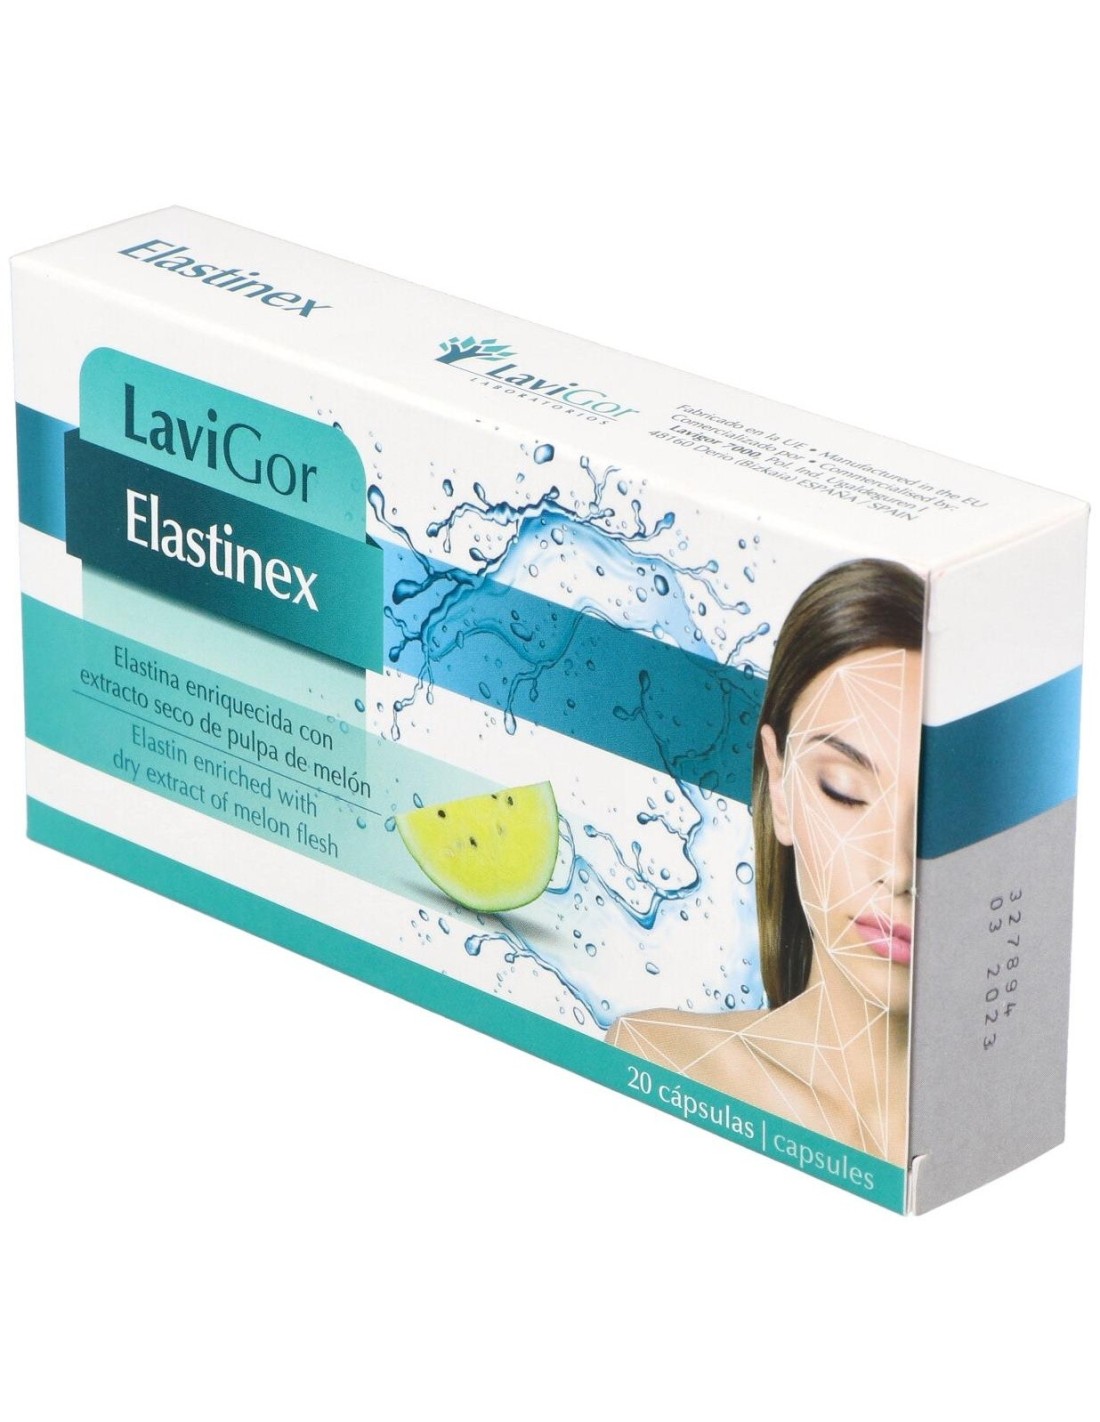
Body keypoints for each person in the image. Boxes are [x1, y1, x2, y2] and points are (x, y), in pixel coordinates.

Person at [607, 559, 924, 1165]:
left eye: (940, 809)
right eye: (844, 790)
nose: (899, 870)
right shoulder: (668, 1067)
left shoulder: (1009, 1114)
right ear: (780, 785)